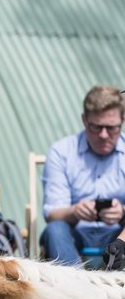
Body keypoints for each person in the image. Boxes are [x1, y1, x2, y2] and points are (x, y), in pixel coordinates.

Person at [39, 84, 125, 264]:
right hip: (75, 234)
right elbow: (52, 213)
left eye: (111, 128)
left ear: (122, 121)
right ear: (84, 120)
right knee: (55, 230)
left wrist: (122, 212)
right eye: (96, 127)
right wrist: (75, 211)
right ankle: (75, 288)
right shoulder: (61, 152)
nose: (103, 135)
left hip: (119, 235)